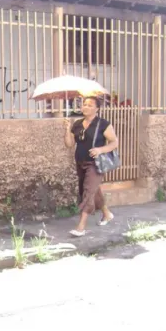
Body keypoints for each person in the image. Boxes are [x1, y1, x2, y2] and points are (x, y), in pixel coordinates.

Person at [63, 96, 118, 237]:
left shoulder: (103, 124)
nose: (85, 107)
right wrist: (68, 129)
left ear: (97, 109)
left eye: (89, 105)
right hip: (81, 162)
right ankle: (107, 214)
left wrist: (100, 150)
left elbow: (114, 142)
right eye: (84, 104)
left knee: (88, 192)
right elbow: (69, 144)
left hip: (95, 164)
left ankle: (81, 227)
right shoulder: (77, 124)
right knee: (93, 190)